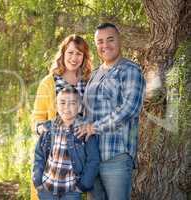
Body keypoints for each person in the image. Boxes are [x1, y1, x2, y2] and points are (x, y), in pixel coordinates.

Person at [76, 23, 146, 200]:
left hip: (115, 156)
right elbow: (84, 111)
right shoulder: (95, 74)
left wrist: (94, 128)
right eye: (100, 41)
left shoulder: (130, 70)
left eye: (110, 39)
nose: (104, 45)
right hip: (92, 158)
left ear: (119, 41)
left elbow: (130, 108)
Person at [31, 34, 92, 200]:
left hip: (77, 161)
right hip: (52, 159)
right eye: (70, 53)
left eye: (79, 54)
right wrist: (41, 128)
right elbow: (36, 118)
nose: (74, 58)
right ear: (63, 54)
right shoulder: (49, 82)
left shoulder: (88, 82)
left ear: (84, 57)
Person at [33, 87, 99, 200]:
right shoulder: (49, 128)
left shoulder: (84, 130)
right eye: (62, 102)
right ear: (57, 106)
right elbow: (39, 155)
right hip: (46, 189)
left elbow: (93, 160)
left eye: (72, 103)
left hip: (71, 191)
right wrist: (37, 181)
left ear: (79, 108)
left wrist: (83, 186)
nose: (67, 107)